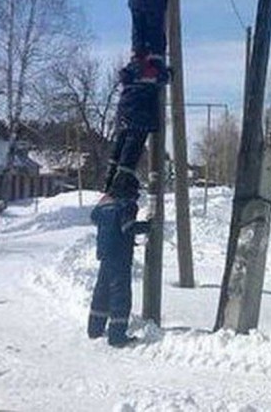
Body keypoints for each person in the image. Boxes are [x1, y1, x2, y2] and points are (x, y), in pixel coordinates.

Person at [87, 180, 150, 348]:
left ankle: (94, 328)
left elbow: (94, 218)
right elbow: (128, 227)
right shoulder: (127, 205)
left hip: (105, 253)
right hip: (120, 255)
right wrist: (149, 226)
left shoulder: (105, 205)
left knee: (102, 292)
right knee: (120, 296)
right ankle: (117, 336)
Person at [104, 81, 160, 195]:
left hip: (125, 111)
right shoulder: (150, 67)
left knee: (121, 143)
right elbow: (161, 76)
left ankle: (110, 178)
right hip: (142, 113)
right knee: (133, 146)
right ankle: (122, 182)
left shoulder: (131, 71)